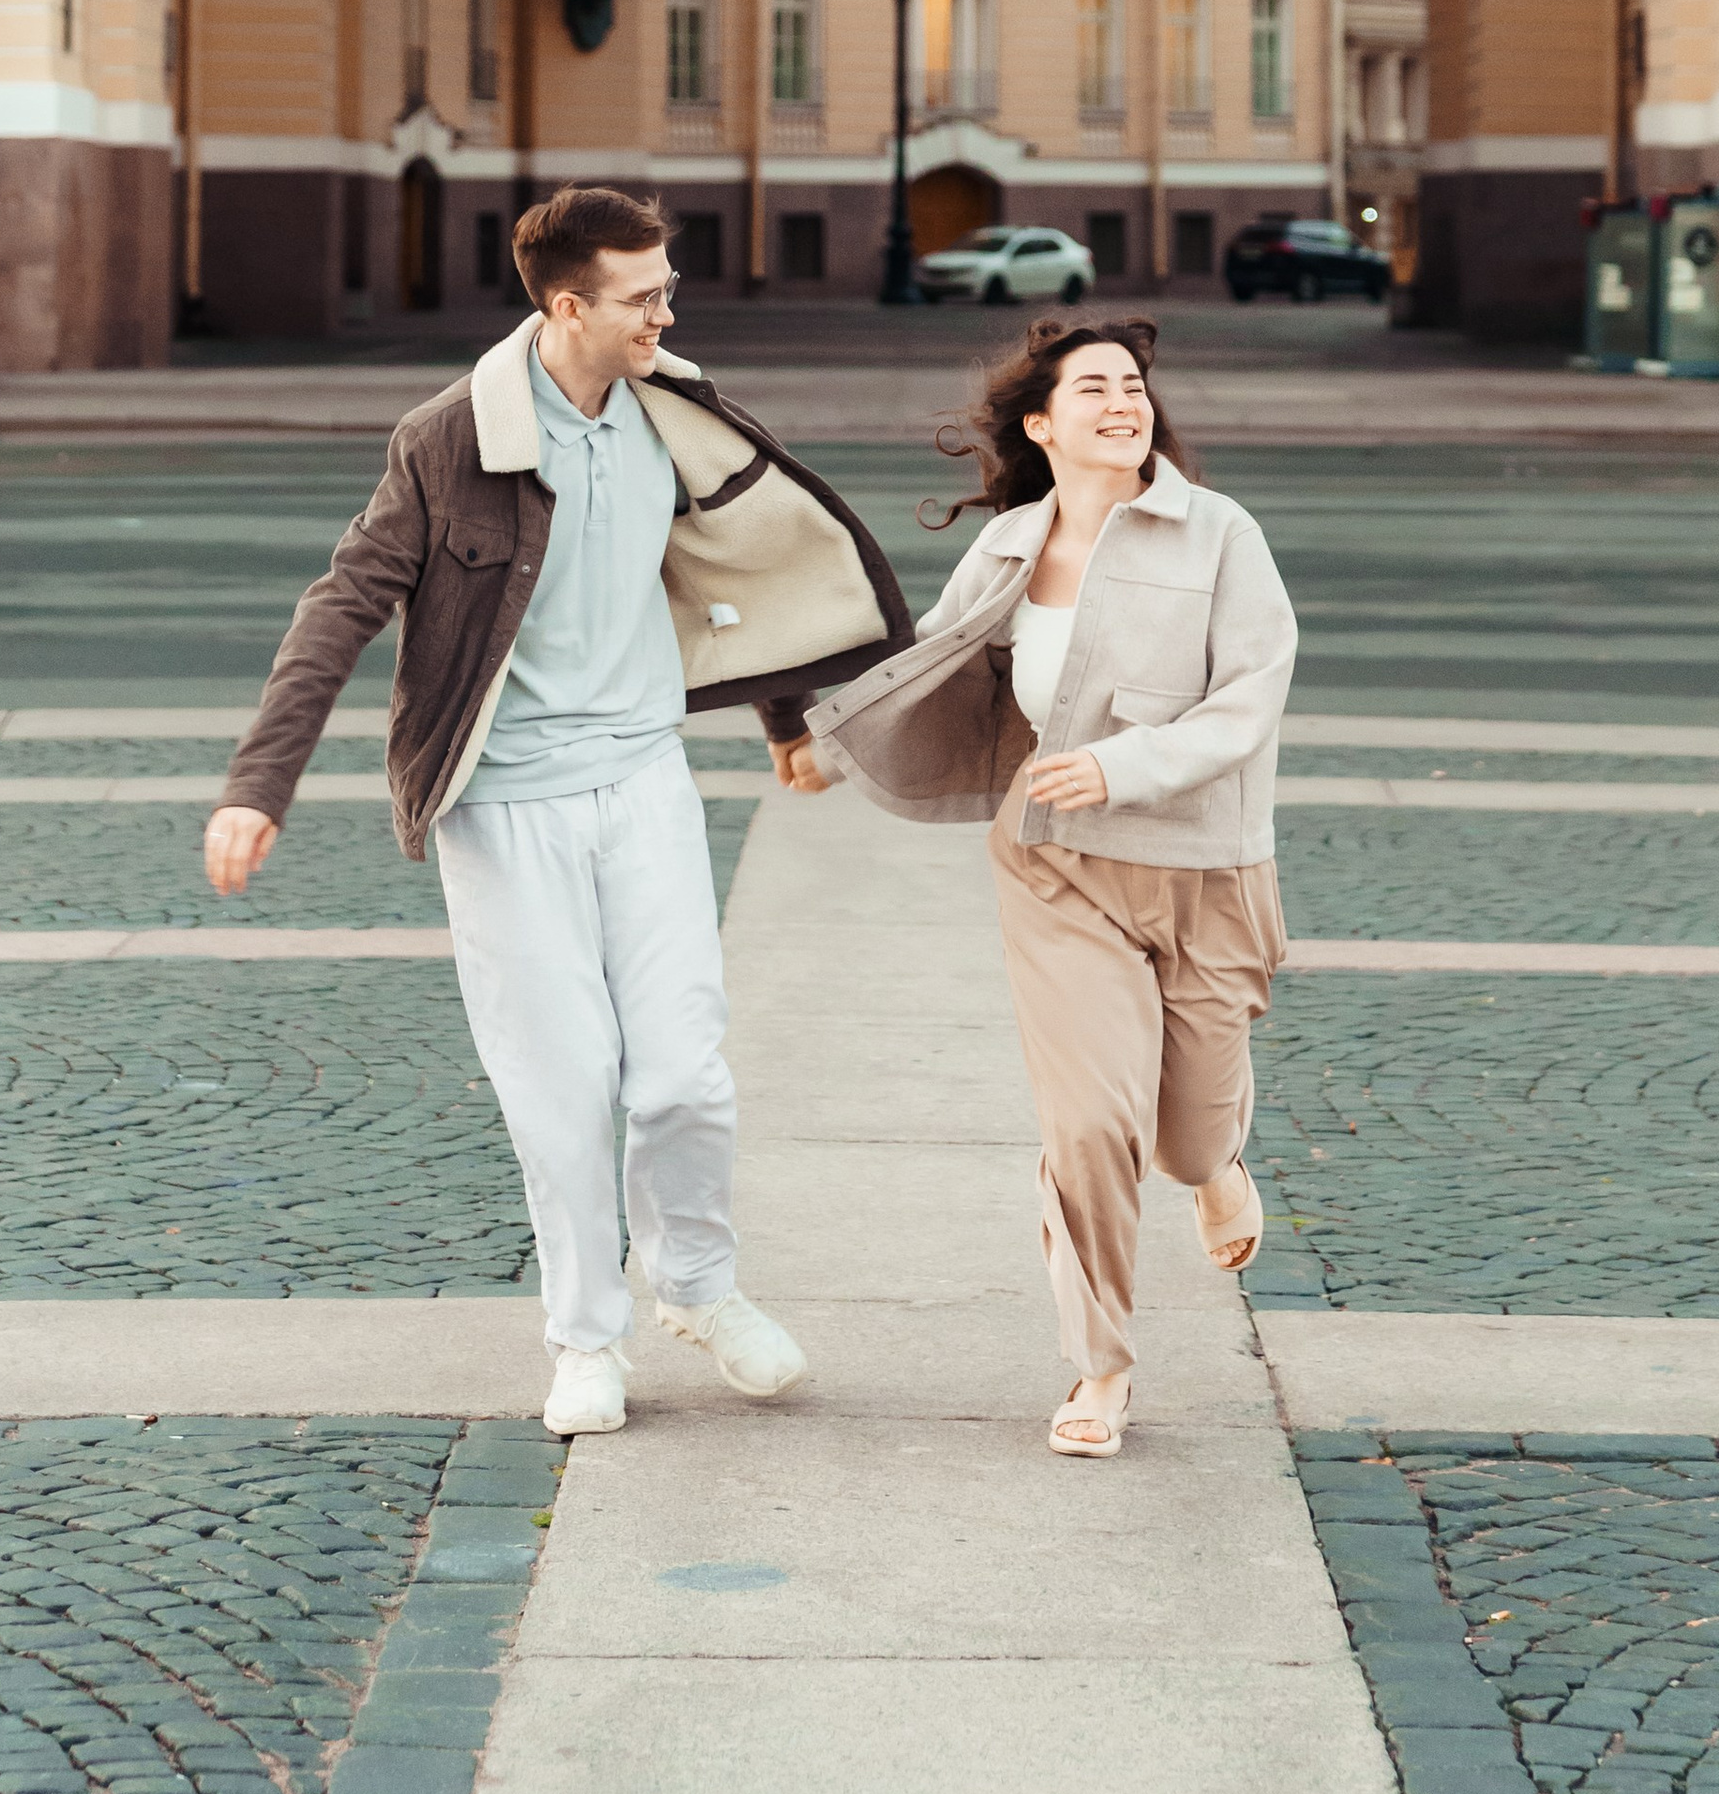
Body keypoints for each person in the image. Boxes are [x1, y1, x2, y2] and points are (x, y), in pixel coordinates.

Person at [204, 183, 910, 1439]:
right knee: (565, 1086)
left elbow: (732, 571)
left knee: (685, 1075)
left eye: (667, 289)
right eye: (642, 297)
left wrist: (790, 724)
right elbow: (342, 604)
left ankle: (696, 1284)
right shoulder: (448, 438)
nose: (666, 311)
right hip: (506, 802)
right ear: (565, 303)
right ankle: (587, 1336)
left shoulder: (668, 407)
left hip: (643, 780)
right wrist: (261, 787)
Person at [805, 320, 1297, 1460]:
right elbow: (927, 664)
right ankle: (1100, 1366)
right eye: (1094, 386)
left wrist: (1122, 765)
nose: (1123, 400)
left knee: (1179, 1137)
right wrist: (818, 738)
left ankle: (1215, 1169)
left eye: (1133, 384)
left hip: (1206, 867)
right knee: (1086, 1125)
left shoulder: (1220, 534)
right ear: (1042, 423)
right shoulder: (1010, 548)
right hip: (1056, 865)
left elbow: (1247, 699)